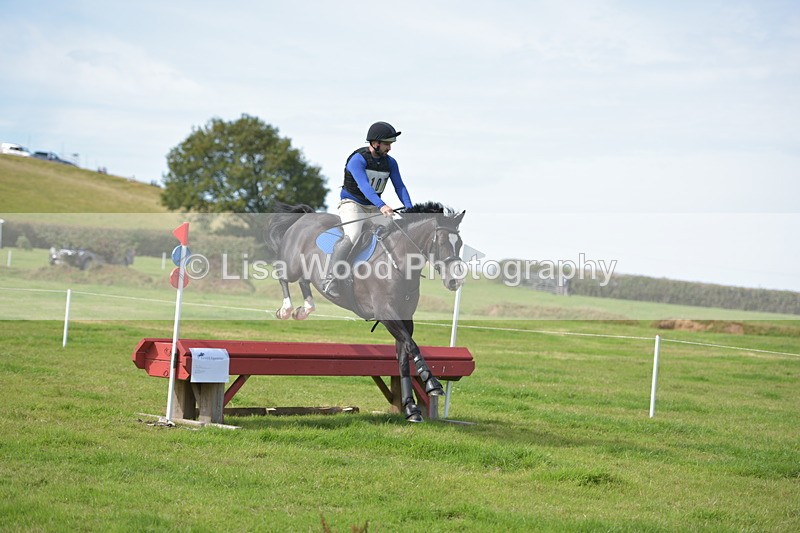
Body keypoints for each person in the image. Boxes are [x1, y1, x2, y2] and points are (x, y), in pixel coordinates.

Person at [322, 121, 414, 298]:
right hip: (353, 203)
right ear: (375, 143)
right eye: (387, 144)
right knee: (354, 234)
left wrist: (411, 210)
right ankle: (331, 278)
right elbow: (364, 187)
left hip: (373, 206)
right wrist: (382, 205)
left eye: (391, 144)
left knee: (393, 232)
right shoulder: (357, 160)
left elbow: (400, 187)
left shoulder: (391, 163)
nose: (390, 148)